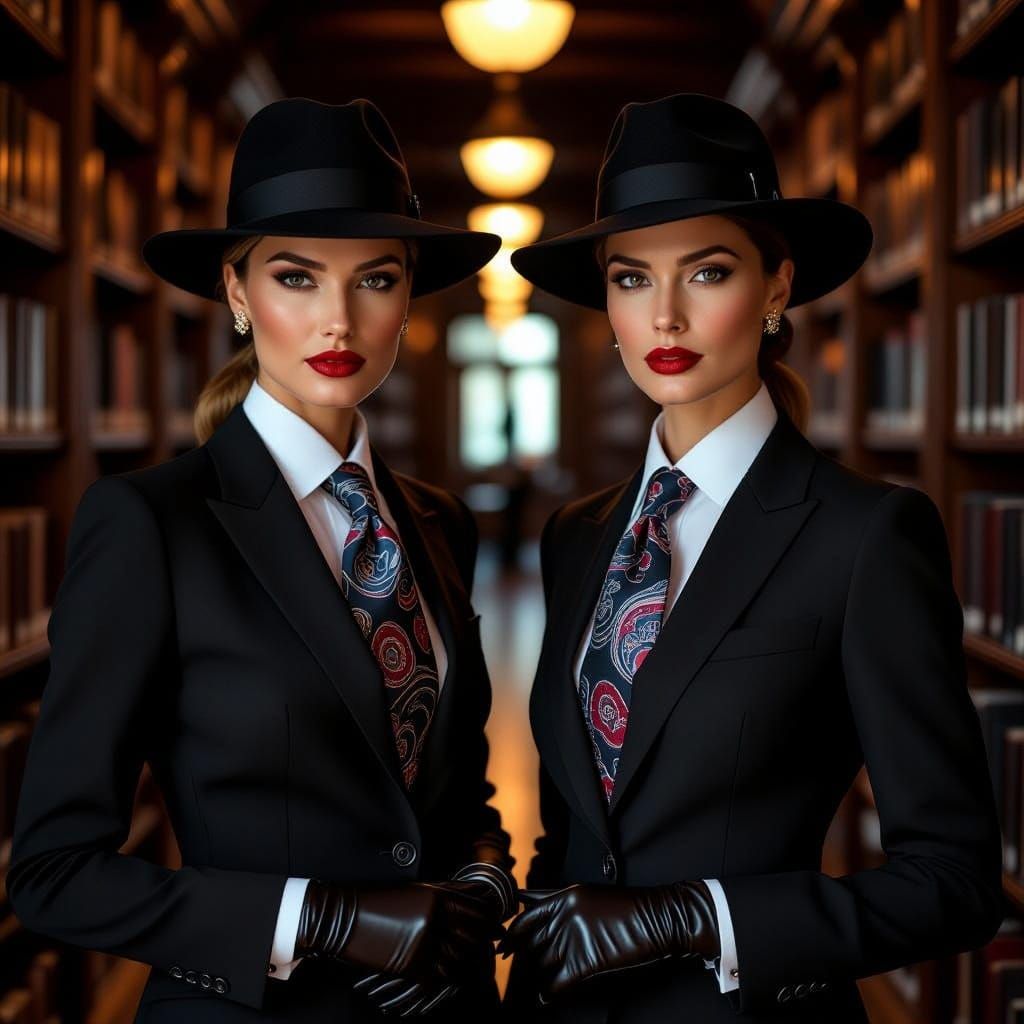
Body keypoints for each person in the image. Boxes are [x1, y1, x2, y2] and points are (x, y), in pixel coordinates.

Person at [7, 96, 517, 1022]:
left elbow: (450, 786)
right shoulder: (148, 525)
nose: (338, 321)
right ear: (238, 293)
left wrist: (483, 872)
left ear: (408, 297)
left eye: (375, 279)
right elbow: (53, 873)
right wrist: (320, 920)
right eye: (296, 278)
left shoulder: (439, 521)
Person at [498, 92, 1004, 1023]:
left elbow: (955, 882)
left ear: (776, 288)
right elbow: (574, 829)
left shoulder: (866, 535)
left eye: (708, 271)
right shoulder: (579, 533)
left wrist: (702, 920)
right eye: (632, 279)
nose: (666, 317)